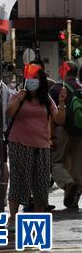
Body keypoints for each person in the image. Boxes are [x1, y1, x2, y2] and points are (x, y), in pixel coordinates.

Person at [6, 66, 66, 224]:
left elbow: (59, 119)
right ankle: (12, 218)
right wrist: (19, 98)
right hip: (19, 144)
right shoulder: (18, 95)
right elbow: (9, 113)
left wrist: (61, 103)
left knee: (41, 182)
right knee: (19, 180)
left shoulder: (46, 98)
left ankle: (38, 218)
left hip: (42, 145)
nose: (32, 82)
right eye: (29, 78)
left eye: (35, 79)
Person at [51, 62, 82, 209]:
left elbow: (49, 113)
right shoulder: (80, 88)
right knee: (77, 165)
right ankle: (74, 199)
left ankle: (68, 184)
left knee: (55, 162)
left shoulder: (57, 89)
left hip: (61, 129)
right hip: (79, 130)